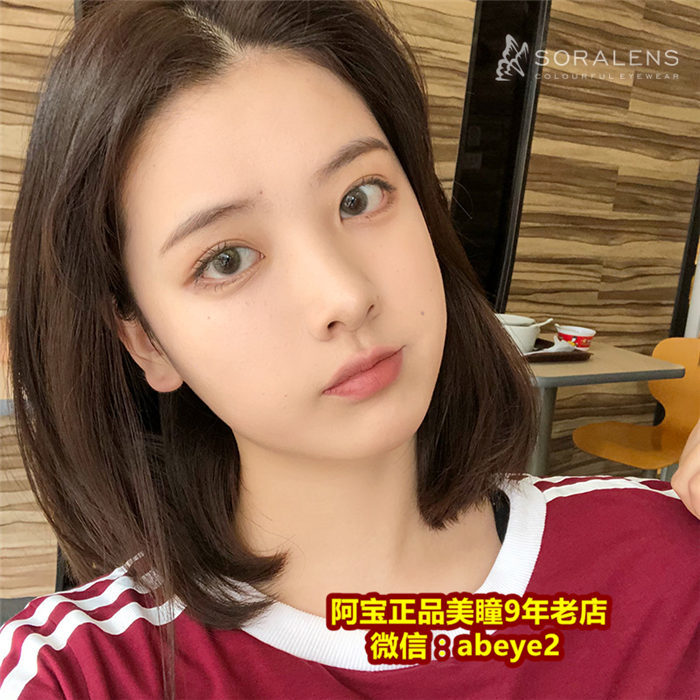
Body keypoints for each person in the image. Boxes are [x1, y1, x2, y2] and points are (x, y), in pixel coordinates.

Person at [0, 1, 698, 698]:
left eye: (360, 197)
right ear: (146, 340)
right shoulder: (82, 674)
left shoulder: (664, 561)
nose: (344, 295)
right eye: (226, 260)